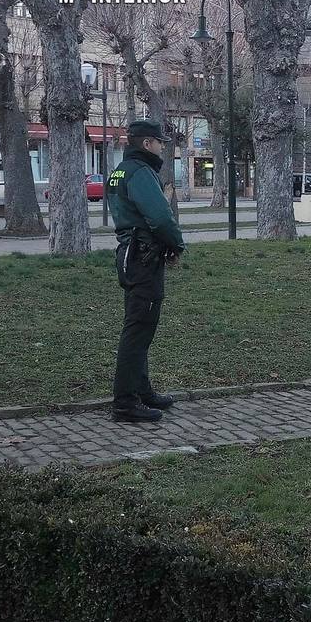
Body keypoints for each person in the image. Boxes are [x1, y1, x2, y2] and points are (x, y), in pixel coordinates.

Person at [106, 120, 186, 423]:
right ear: (147, 143)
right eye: (160, 142)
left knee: (138, 325)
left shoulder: (121, 171)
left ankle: (141, 390)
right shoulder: (141, 172)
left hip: (130, 253)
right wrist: (176, 245)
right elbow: (160, 217)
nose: (163, 147)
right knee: (138, 330)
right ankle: (126, 402)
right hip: (143, 256)